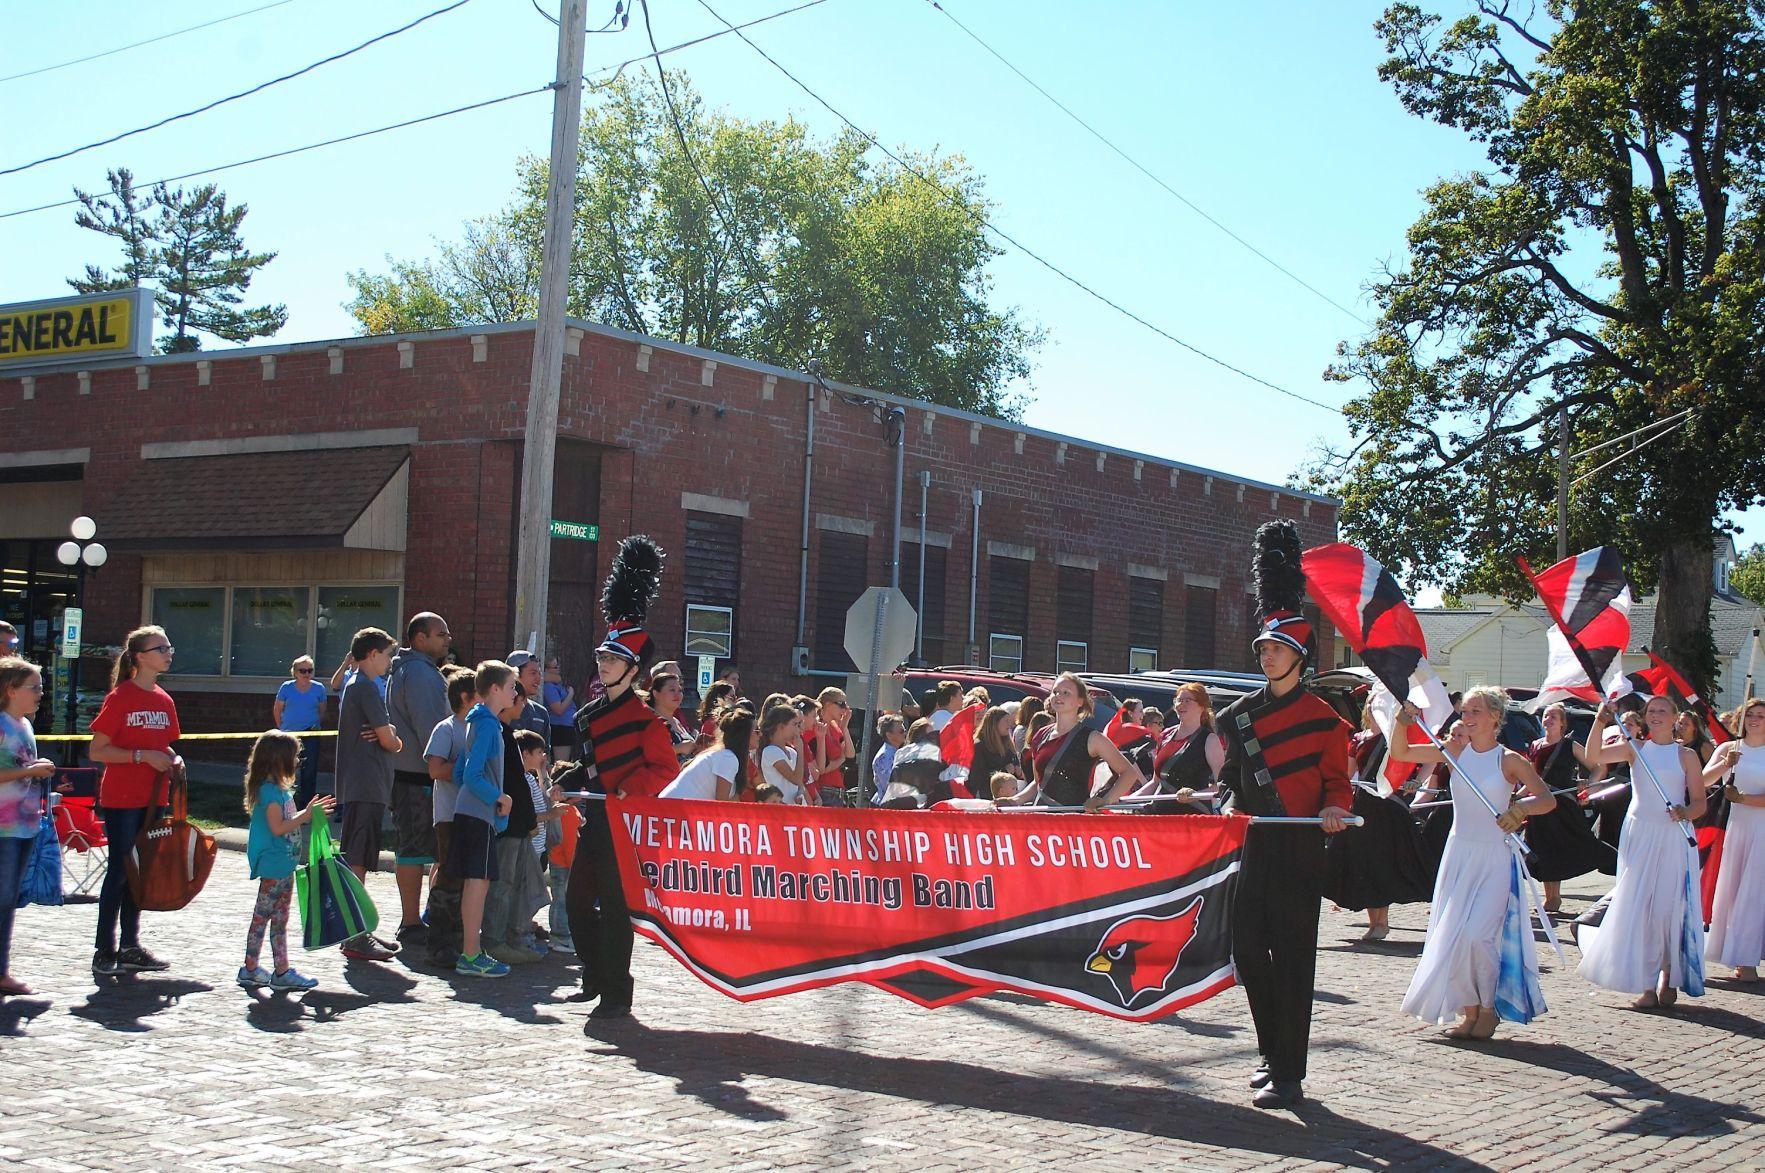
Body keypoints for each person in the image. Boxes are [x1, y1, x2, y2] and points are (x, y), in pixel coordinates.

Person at [1213, 520, 1352, 1110]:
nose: (1266, 655)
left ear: (1298, 656)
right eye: (1263, 649)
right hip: (1254, 845)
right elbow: (1232, 780)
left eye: (1275, 649)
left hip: (1299, 849)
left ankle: (1289, 1073)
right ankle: (1271, 1051)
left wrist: (1335, 808)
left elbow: (1338, 783)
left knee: (1294, 959)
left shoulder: (1327, 720)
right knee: (1248, 950)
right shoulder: (1239, 715)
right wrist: (1224, 805)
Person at [1390, 688, 1556, 1039]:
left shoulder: (1510, 760)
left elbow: (1547, 799)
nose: (1467, 717)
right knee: (1455, 936)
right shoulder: (1454, 751)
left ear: (1495, 716)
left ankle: (1489, 1008)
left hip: (1494, 856)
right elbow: (1401, 752)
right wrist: (1400, 723)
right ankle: (1470, 1012)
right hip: (1459, 854)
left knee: (1479, 936)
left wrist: (1521, 809)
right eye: (1465, 711)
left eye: (1476, 711)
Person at [564, 535, 678, 1019]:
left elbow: (666, 770)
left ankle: (616, 991)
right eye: (601, 658)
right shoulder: (588, 715)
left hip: (623, 825)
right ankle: (593, 975)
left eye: (611, 659)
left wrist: (629, 789)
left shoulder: (647, 722)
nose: (603, 664)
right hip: (593, 819)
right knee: (575, 904)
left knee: (615, 907)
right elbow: (589, 764)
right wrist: (567, 779)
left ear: (632, 671)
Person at [1578, 695, 1707, 1008]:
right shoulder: (1634, 748)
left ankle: (1669, 974)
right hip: (1639, 834)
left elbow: (1700, 803)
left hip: (1673, 835)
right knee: (1641, 906)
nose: (1656, 715)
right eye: (1651, 711)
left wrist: (1685, 812)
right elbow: (1593, 756)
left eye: (1663, 710)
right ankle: (1646, 984)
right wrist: (1600, 721)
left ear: (1675, 717)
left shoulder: (1686, 755)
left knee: (1666, 907)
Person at [86, 626, 185, 977]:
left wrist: (173, 758)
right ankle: (104, 949)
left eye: (169, 648)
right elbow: (98, 750)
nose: (168, 654)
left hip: (154, 798)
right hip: (123, 798)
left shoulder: (164, 700)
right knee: (120, 871)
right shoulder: (121, 697)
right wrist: (141, 756)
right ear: (140, 657)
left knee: (140, 873)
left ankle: (130, 946)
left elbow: (163, 745)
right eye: (161, 649)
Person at [237, 730, 333, 992]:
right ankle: (251, 968)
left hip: (284, 865)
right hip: (274, 866)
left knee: (279, 921)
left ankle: (279, 971)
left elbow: (285, 822)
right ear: (278, 760)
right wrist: (305, 816)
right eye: (294, 756)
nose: (298, 761)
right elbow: (278, 827)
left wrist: (308, 813)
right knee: (263, 918)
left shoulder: (279, 792)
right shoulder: (270, 793)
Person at [333, 627, 404, 962]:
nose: (389, 662)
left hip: (364, 785)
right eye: (387, 655)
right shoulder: (365, 686)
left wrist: (390, 733)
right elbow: (389, 740)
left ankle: (359, 929)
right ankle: (355, 936)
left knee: (359, 857)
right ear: (373, 654)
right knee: (357, 860)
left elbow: (386, 734)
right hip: (365, 784)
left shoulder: (357, 684)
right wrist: (394, 738)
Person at [385, 612, 453, 946]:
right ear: (420, 638)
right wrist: (446, 762)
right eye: (441, 634)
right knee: (413, 849)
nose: (447, 639)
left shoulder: (412, 669)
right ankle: (410, 921)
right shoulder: (420, 674)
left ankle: (424, 916)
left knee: (427, 848)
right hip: (417, 775)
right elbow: (431, 727)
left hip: (414, 772)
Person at [449, 661, 516, 978]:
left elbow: (460, 772)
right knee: (478, 883)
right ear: (495, 689)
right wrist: (500, 798)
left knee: (476, 882)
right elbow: (471, 775)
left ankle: (471, 952)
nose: (515, 692)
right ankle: (471, 954)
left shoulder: (476, 722)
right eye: (511, 687)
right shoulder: (488, 725)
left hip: (471, 812)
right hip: (478, 814)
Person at [0, 656, 56, 996]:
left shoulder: (25, 725)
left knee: (9, 900)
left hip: (25, 824)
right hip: (3, 828)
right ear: (10, 689)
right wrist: (30, 771)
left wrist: (36, 768)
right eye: (34, 687)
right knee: (3, 898)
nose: (40, 693)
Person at [1009, 673, 1144, 809]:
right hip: (1043, 817)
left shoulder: (1093, 738)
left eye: (1066, 693)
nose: (1058, 696)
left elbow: (1129, 773)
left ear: (1080, 701)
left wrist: (1105, 800)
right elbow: (1038, 783)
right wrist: (1013, 801)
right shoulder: (1040, 735)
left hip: (1074, 818)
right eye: (1055, 692)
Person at [1702, 698, 1765, 981]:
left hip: (1761, 829)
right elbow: (1703, 781)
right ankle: (1730, 950)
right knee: (1731, 890)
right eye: (1750, 714)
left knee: (1754, 893)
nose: (1755, 720)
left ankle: (1747, 959)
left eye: (1761, 715)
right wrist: (1724, 765)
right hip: (1736, 828)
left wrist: (1744, 798)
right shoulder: (1729, 748)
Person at [1524, 703, 1609, 911]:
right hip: (1539, 804)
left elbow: (1598, 768)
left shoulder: (1570, 745)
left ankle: (1555, 897)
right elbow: (1531, 778)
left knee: (1560, 847)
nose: (1548, 719)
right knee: (1542, 849)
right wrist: (1516, 797)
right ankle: (1551, 897)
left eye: (1553, 716)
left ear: (1562, 723)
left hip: (1562, 807)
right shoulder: (1535, 745)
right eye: (1546, 716)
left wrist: (1588, 786)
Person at [421, 667, 476, 968]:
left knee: (468, 880)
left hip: (474, 814)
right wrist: (468, 767)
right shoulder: (446, 729)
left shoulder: (480, 728)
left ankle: (461, 940)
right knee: (449, 878)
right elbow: (435, 770)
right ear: (466, 697)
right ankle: (439, 944)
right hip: (450, 815)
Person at [661, 707, 756, 801]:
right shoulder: (728, 757)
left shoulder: (723, 754)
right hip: (673, 807)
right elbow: (721, 803)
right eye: (756, 731)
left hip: (674, 805)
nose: (761, 734)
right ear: (744, 735)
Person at [272, 655, 328, 811]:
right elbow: (277, 709)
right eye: (302, 670)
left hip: (311, 733)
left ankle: (306, 805)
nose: (306, 674)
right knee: (286, 768)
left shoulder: (319, 688)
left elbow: (322, 710)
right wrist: (281, 728)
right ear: (295, 672)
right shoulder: (286, 687)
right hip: (289, 734)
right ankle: (285, 802)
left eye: (310, 670)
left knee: (309, 770)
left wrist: (316, 725)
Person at [1156, 682, 1226, 803]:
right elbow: (1155, 782)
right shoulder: (1165, 735)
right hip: (1160, 811)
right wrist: (1125, 800)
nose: (1181, 705)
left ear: (1202, 706)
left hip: (1191, 812)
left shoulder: (1209, 739)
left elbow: (1222, 785)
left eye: (1187, 701)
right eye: (1179, 700)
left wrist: (1195, 795)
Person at [811, 687, 855, 805]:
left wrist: (844, 728)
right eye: (841, 704)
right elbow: (823, 768)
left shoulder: (835, 727)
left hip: (838, 792)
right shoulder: (815, 727)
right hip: (823, 791)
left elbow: (851, 756)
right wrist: (842, 758)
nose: (845, 709)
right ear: (828, 704)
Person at [758, 705, 809, 805]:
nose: (797, 730)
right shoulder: (770, 751)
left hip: (796, 809)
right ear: (781, 726)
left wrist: (800, 793)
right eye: (794, 724)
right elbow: (796, 779)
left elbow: (799, 784)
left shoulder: (792, 752)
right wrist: (800, 751)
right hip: (781, 810)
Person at [968, 707, 1023, 800]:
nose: (1009, 724)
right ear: (995, 723)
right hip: (986, 796)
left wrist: (1017, 770)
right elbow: (977, 776)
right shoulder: (979, 746)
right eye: (1006, 721)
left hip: (1009, 796)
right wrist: (1003, 771)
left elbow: (1014, 763)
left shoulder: (1007, 745)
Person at [646, 668, 697, 765]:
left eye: (680, 690)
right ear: (656, 694)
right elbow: (648, 756)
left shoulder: (676, 721)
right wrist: (678, 748)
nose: (677, 694)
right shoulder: (650, 721)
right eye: (672, 690)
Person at [505, 651, 552, 752]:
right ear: (515, 675)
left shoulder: (541, 713)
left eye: (539, 673)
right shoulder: (501, 710)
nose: (539, 678)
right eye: (533, 673)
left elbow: (545, 754)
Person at [544, 659, 577, 762]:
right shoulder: (548, 687)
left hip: (566, 726)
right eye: (555, 667)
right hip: (560, 727)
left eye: (558, 665)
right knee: (561, 763)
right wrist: (571, 694)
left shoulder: (557, 684)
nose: (558, 668)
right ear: (546, 670)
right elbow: (558, 710)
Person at [871, 714, 907, 804]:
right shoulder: (884, 757)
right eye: (901, 731)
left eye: (905, 730)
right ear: (889, 735)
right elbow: (890, 786)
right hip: (885, 805)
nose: (905, 734)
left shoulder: (898, 753)